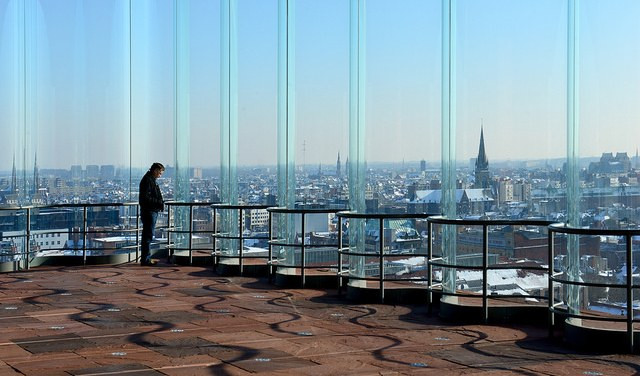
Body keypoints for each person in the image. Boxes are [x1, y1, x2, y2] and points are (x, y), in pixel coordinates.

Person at [139, 162, 165, 266]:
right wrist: (158, 202)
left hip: (150, 210)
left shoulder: (149, 179)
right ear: (155, 170)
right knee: (148, 236)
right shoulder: (148, 180)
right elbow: (146, 198)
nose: (160, 175)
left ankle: (146, 258)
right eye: (160, 172)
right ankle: (146, 259)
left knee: (147, 235)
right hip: (150, 211)